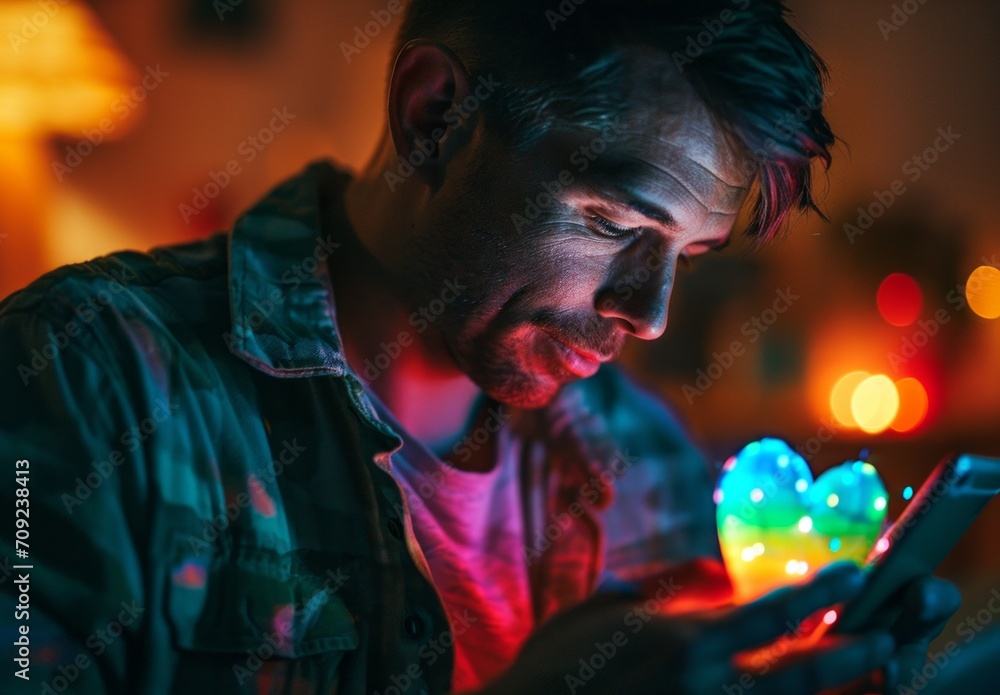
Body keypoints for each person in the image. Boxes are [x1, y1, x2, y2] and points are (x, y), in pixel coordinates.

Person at [0, 1, 959, 693]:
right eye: (615, 220)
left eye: (689, 256)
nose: (653, 312)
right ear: (435, 116)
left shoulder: (642, 450)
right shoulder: (88, 379)